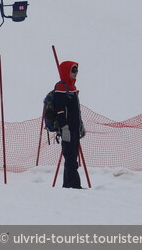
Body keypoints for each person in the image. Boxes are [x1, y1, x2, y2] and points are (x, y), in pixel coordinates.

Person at [53, 60, 85, 189]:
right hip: (67, 129)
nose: (76, 73)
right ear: (66, 71)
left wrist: (80, 125)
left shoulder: (72, 88)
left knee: (72, 157)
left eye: (76, 70)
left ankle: (68, 185)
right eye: (73, 70)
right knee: (71, 158)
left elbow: (76, 111)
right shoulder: (61, 88)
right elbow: (60, 111)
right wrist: (64, 127)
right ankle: (74, 185)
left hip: (74, 128)